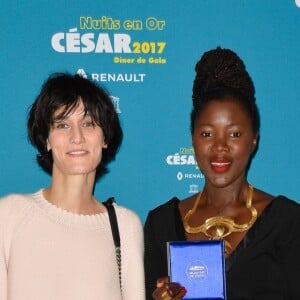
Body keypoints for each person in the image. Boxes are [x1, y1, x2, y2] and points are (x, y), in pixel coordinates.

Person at [144, 47, 300, 300]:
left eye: (235, 134)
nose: (220, 147)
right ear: (193, 140)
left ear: (254, 141)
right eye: (207, 133)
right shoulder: (160, 224)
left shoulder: (288, 223)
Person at [0, 73, 145, 299]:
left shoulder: (125, 226)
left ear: (105, 137)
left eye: (88, 123)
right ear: (47, 139)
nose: (77, 137)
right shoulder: (9, 214)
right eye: (63, 125)